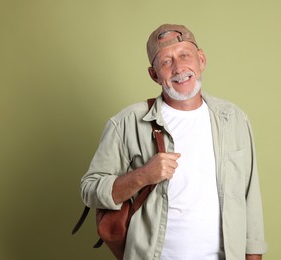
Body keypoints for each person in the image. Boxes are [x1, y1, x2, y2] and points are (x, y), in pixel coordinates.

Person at [81, 24, 267, 260]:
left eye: (185, 55)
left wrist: (253, 256)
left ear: (201, 60)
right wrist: (143, 175)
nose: (179, 68)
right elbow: (90, 190)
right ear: (154, 74)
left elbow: (250, 195)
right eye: (166, 62)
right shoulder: (127, 122)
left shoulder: (234, 118)